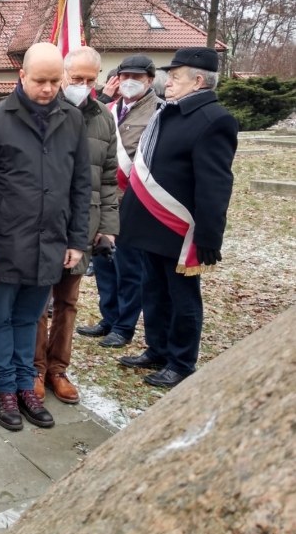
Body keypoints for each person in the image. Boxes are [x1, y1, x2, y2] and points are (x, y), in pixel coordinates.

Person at [0, 42, 90, 432]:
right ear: (21, 76)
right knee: (0, 317)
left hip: (51, 240)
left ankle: (26, 386)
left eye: (55, 81)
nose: (47, 89)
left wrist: (76, 240)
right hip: (5, 241)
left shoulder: (73, 119)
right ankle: (5, 388)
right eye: (40, 80)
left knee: (29, 318)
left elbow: (81, 184)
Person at [117, 47, 237, 388]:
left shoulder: (214, 119)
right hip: (151, 223)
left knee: (182, 298)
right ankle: (157, 349)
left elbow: (215, 184)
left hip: (180, 228)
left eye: (175, 76)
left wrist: (209, 236)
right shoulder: (168, 113)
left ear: (198, 81)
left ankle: (182, 362)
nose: (168, 82)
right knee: (153, 290)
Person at [34, 47, 118, 404]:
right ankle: (35, 368)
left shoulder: (104, 118)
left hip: (84, 224)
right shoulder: (43, 110)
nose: (82, 85)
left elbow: (110, 178)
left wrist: (108, 227)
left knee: (67, 301)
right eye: (76, 78)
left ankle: (58, 368)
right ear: (64, 75)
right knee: (38, 302)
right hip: (45, 221)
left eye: (89, 79)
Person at [78, 54, 158, 348]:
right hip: (104, 199)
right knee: (103, 264)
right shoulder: (108, 109)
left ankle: (124, 326)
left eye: (137, 77)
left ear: (150, 80)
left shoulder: (158, 112)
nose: (130, 82)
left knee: (128, 268)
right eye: (125, 76)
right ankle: (108, 318)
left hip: (134, 202)